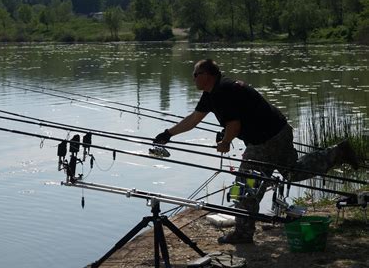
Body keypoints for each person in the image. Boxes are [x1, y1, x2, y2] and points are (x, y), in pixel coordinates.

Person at [154, 59, 359, 244]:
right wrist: (168, 134)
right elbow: (194, 119)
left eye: (195, 74)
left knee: (244, 186)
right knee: (292, 172)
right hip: (279, 131)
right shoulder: (212, 93)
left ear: (208, 75)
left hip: (264, 141)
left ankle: (243, 233)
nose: (193, 79)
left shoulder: (222, 92)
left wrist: (225, 142)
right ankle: (337, 152)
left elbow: (234, 125)